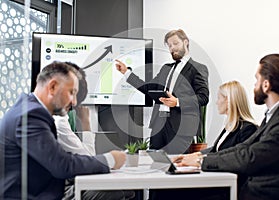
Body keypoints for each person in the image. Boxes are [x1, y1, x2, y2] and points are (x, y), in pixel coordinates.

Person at [176, 54, 279, 200]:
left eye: (256, 80)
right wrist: (200, 156)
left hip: (264, 194)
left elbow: (249, 157)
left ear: (266, 85)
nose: (254, 86)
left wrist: (201, 161)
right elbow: (243, 147)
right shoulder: (275, 116)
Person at [0, 61, 126, 199]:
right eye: (71, 93)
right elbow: (62, 164)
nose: (74, 102)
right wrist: (110, 159)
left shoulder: (30, 109)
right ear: (53, 87)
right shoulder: (31, 116)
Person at [149, 80, 258, 200]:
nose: (216, 103)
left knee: (166, 193)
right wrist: (192, 155)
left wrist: (199, 160)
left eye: (219, 98)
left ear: (228, 101)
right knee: (161, 189)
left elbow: (235, 158)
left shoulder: (247, 128)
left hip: (224, 185)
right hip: (215, 178)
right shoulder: (230, 126)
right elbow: (216, 149)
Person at [116, 29, 209, 154]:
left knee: (176, 164)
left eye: (175, 43)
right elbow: (149, 88)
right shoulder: (166, 68)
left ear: (185, 42)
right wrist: (126, 72)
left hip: (181, 128)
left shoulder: (198, 68)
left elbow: (203, 97)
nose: (172, 48)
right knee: (156, 164)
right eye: (169, 45)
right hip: (158, 125)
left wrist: (177, 102)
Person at [53, 62, 135, 200]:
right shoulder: (58, 122)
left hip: (63, 182)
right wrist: (86, 123)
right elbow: (89, 159)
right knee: (118, 192)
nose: (74, 102)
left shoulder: (56, 118)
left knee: (126, 191)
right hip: (62, 190)